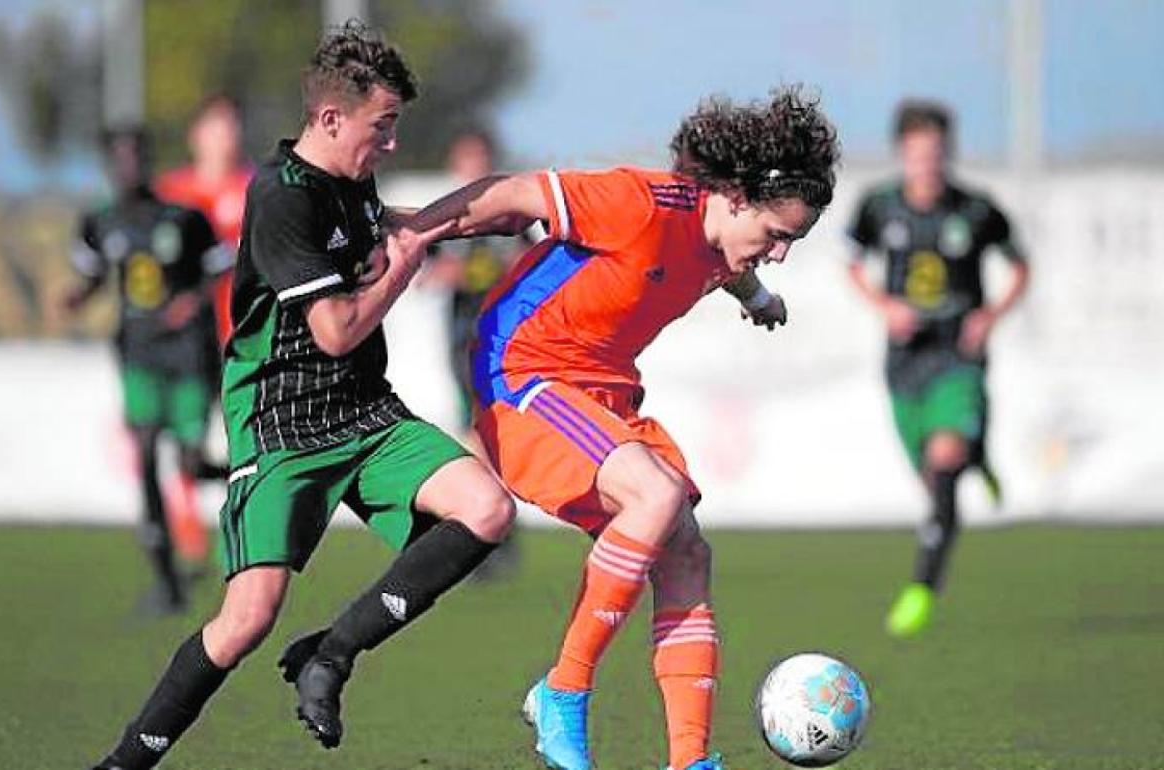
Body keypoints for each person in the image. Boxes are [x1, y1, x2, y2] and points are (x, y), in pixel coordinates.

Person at [89, 22, 514, 769]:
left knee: (488, 508)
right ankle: (122, 763)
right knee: (246, 619)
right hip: (281, 421)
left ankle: (333, 654)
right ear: (329, 119)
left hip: (363, 409)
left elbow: (411, 225)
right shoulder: (281, 199)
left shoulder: (352, 180)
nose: (389, 146)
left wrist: (518, 209)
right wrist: (409, 262)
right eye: (381, 129)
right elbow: (337, 329)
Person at [406, 87, 839, 770]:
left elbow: (718, 263)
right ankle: (564, 691)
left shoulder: (724, 246)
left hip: (602, 390)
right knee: (656, 498)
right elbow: (515, 194)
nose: (780, 252)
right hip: (521, 370)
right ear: (734, 195)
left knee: (687, 552)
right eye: (778, 236)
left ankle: (690, 761)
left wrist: (756, 295)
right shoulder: (642, 204)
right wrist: (414, 229)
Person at [846, 99, 1029, 638]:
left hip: (958, 356)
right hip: (905, 362)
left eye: (936, 151)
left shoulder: (976, 210)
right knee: (934, 477)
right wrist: (884, 306)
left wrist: (990, 315)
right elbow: (851, 261)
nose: (927, 162)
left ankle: (921, 588)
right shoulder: (879, 207)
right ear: (902, 154)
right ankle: (980, 456)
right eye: (917, 152)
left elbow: (1021, 266)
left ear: (948, 152)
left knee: (944, 461)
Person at [67, 126, 228, 615]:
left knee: (189, 462)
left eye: (135, 156)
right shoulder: (100, 222)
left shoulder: (182, 218)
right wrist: (78, 296)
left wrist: (189, 301)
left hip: (187, 354)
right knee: (143, 452)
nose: (127, 167)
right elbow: (95, 273)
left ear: (148, 160)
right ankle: (165, 576)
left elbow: (220, 267)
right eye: (118, 159)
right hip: (138, 354)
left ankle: (240, 479)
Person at [424, 127, 531, 580]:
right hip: (461, 336)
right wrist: (459, 272)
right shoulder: (445, 219)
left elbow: (528, 265)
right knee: (476, 433)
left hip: (501, 340)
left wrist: (488, 271)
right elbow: (428, 269)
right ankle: (485, 529)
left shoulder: (509, 215)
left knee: (490, 436)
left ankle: (489, 529)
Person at [154, 94, 253, 565]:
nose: (226, 136)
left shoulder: (256, 186)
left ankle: (239, 534)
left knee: (247, 440)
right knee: (185, 441)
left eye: (231, 126)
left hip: (245, 336)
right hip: (186, 340)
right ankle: (184, 526)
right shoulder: (171, 193)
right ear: (196, 135)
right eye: (216, 126)